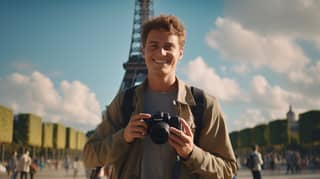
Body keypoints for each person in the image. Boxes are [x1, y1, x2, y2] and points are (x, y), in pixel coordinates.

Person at [83, 14, 238, 179]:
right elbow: (89, 156)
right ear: (143, 51)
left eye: (169, 46)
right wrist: (124, 136)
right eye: (153, 45)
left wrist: (191, 153)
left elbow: (228, 169)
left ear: (180, 53)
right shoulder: (124, 102)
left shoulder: (204, 105)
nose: (161, 52)